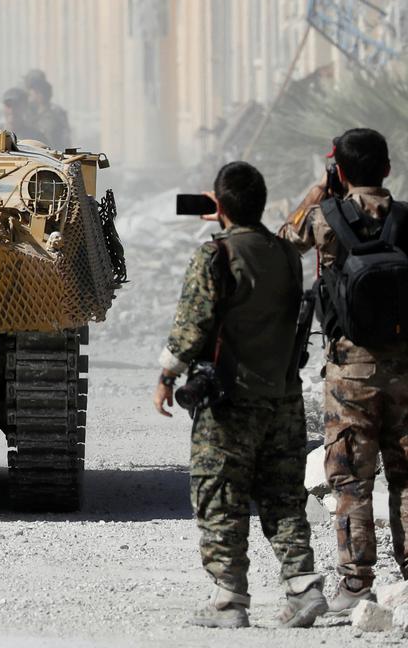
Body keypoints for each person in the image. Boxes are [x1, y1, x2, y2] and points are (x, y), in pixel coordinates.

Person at [154, 161, 325, 629]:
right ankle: (303, 587)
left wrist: (167, 375)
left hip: (229, 400)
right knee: (283, 497)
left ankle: (229, 600)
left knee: (219, 494)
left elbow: (192, 324)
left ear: (219, 205)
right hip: (283, 398)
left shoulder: (216, 255)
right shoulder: (286, 253)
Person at [280, 128, 407, 612]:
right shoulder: (405, 218)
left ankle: (356, 584)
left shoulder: (324, 218)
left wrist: (319, 190)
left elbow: (282, 243)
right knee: (406, 477)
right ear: (387, 169)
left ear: (339, 170)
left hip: (350, 373)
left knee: (352, 480)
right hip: (406, 370)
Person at [22, 69, 71, 149]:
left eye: (32, 90)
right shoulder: (27, 111)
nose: (29, 93)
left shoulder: (56, 113)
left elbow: (65, 140)